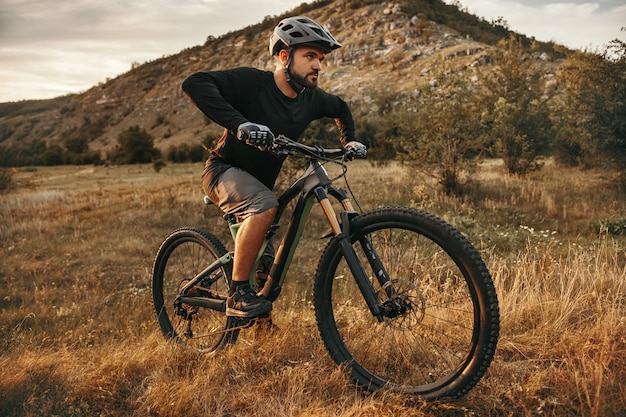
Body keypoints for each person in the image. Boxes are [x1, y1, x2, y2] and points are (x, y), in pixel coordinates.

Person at [181, 16, 365, 319]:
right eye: (310, 56)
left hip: (259, 185)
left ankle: (261, 322)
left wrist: (350, 141)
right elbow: (195, 84)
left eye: (320, 58)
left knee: (266, 265)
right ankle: (237, 294)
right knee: (265, 205)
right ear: (284, 56)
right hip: (221, 173)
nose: (318, 65)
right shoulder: (253, 82)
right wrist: (240, 124)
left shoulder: (311, 99)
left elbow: (341, 108)